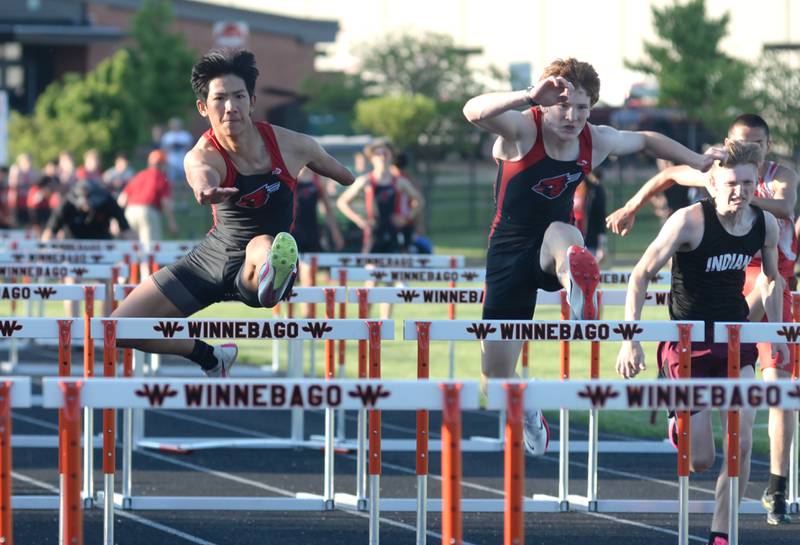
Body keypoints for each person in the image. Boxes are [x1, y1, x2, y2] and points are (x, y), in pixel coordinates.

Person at [462, 57, 723, 457]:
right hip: (508, 253)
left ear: (591, 107)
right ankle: (528, 405)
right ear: (546, 102)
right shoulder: (521, 128)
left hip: (554, 242)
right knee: (493, 379)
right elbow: (473, 111)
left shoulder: (595, 140)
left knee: (563, 236)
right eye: (562, 105)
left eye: (581, 108)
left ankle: (577, 286)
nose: (571, 116)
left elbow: (648, 139)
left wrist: (698, 161)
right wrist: (528, 94)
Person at [111, 49, 354, 378]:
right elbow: (199, 174)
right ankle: (211, 356)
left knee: (266, 242)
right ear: (203, 107)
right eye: (220, 99)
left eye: (239, 97)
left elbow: (345, 175)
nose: (230, 107)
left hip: (257, 263)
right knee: (120, 329)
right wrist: (204, 189)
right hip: (211, 259)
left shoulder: (293, 145)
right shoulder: (203, 154)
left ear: (252, 101)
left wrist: (344, 175)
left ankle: (274, 275)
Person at [606, 113, 798, 525]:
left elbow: (771, 279)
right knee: (700, 461)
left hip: (734, 339)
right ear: (711, 182)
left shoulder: (762, 223)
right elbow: (640, 275)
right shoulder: (689, 221)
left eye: (748, 184)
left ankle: (721, 531)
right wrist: (630, 339)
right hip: (687, 342)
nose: (742, 193)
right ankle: (679, 421)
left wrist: (778, 334)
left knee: (742, 441)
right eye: (732, 185)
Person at [337, 139, 425, 254]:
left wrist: (406, 218)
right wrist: (359, 220)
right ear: (372, 158)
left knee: (395, 270)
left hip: (394, 233)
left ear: (391, 157)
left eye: (386, 153)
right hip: (374, 233)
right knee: (370, 270)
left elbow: (420, 201)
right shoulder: (366, 181)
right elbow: (342, 202)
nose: (382, 157)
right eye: (378, 154)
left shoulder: (400, 182)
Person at [118, 149, 178, 247]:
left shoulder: (139, 175)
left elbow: (122, 199)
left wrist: (117, 220)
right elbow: (166, 202)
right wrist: (172, 222)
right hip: (148, 212)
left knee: (132, 249)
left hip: (130, 212)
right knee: (150, 251)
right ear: (162, 164)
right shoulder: (161, 177)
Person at [41, 179, 134, 241]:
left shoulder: (107, 201)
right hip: (73, 245)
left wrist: (135, 248)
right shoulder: (66, 204)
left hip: (101, 243)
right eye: (82, 202)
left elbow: (126, 229)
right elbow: (50, 231)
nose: (86, 205)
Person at [572, 169, 607, 265]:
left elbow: (600, 218)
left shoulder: (595, 190)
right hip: (568, 240)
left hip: (589, 241)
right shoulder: (567, 187)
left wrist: (602, 246)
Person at [8, 153, 38, 227]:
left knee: (29, 222)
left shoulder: (33, 173)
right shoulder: (16, 171)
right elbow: (13, 185)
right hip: (18, 201)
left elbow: (35, 185)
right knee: (18, 221)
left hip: (30, 202)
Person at [160, 117, 193, 184]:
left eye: (177, 125)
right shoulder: (167, 136)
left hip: (183, 160)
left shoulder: (186, 135)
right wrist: (171, 146)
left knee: (186, 179)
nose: (175, 126)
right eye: (173, 125)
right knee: (171, 180)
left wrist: (181, 146)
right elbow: (163, 149)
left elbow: (190, 148)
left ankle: (186, 193)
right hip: (171, 161)